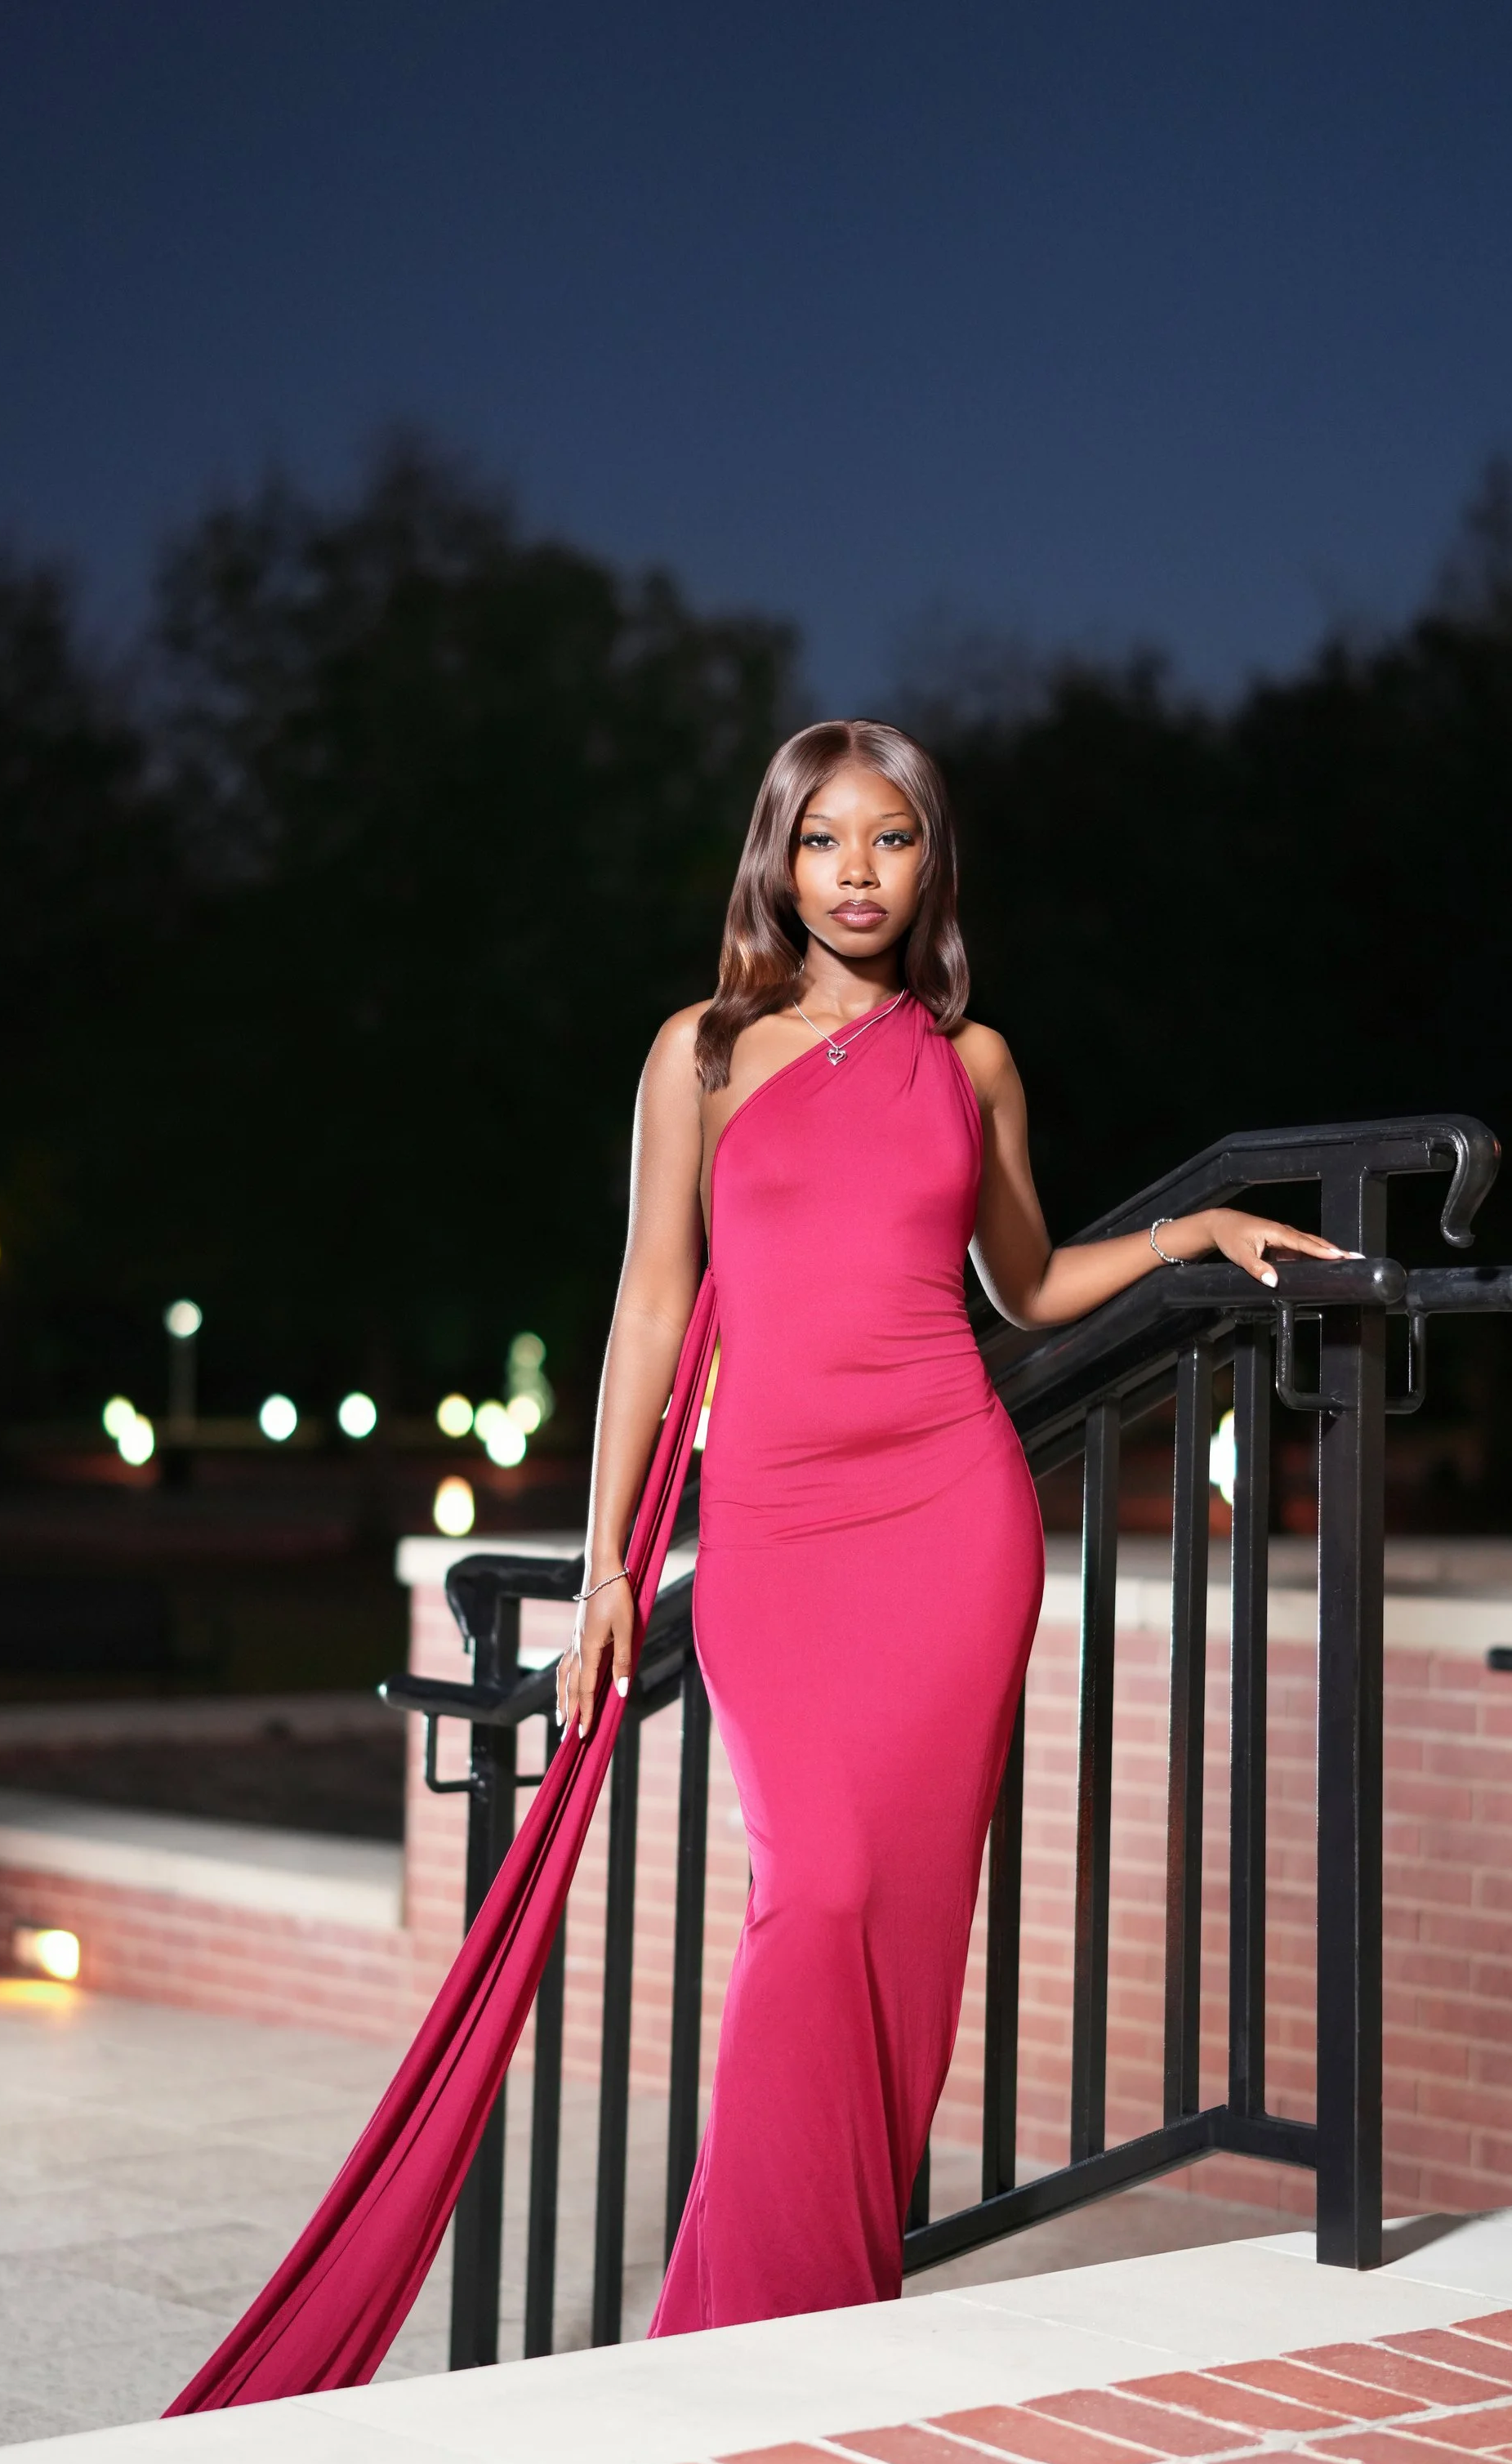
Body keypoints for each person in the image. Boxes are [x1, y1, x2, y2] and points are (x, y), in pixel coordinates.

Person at [560, 718, 1345, 2335]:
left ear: (931, 862)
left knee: (904, 1914)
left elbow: (1028, 1284)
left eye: (890, 838)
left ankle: (814, 2297)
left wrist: (1187, 1227)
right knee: (821, 1884)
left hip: (950, 1514)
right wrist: (604, 1565)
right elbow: (649, 1310)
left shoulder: (968, 1062)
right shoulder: (697, 1054)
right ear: (776, 857)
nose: (855, 873)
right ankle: (752, 2308)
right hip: (773, 1518)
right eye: (824, 838)